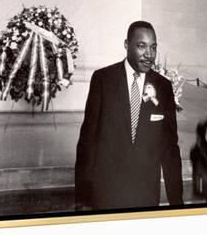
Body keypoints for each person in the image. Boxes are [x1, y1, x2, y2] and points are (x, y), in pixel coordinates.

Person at [75, 20, 184, 210]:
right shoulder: (103, 80)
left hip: (146, 195)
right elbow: (87, 141)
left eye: (153, 47)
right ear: (127, 45)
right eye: (141, 46)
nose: (149, 54)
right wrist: (82, 198)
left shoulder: (164, 87)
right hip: (106, 193)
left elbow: (170, 149)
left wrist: (177, 201)